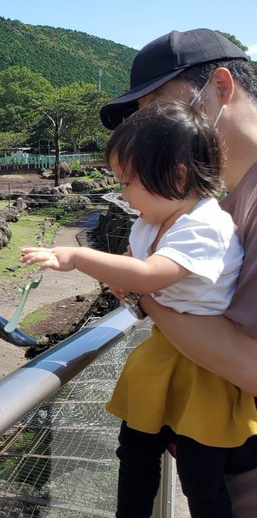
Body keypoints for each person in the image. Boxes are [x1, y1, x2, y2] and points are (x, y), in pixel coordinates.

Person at [21, 99, 256, 518]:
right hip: (166, 351)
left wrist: (76, 259)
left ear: (177, 175)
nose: (124, 196)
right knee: (134, 457)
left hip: (205, 368)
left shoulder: (205, 225)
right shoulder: (153, 220)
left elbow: (148, 276)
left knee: (202, 480)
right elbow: (135, 268)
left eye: (128, 183)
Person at [99, 28, 257, 516]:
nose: (152, 132)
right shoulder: (216, 202)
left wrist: (146, 292)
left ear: (222, 88)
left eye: (160, 110)